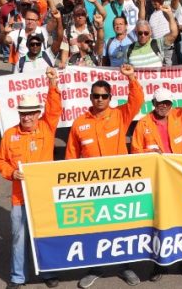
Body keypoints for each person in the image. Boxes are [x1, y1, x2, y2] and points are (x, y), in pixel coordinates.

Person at [65, 65, 145, 288]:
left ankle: (125, 267)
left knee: (122, 227)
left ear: (110, 98)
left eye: (104, 96)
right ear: (90, 97)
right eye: (96, 96)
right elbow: (71, 156)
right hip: (92, 187)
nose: (100, 99)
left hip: (120, 185)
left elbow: (137, 99)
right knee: (95, 228)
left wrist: (131, 77)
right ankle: (95, 268)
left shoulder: (120, 114)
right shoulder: (79, 123)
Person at [0, 69, 62, 289]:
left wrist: (52, 82)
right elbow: (1, 161)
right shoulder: (9, 134)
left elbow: (54, 106)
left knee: (45, 235)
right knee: (18, 238)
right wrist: (11, 173)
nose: (27, 117)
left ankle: (48, 273)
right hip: (19, 198)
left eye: (31, 113)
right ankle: (17, 277)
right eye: (23, 113)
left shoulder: (47, 126)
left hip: (44, 196)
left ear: (37, 113)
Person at [131, 71, 182, 154]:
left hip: (178, 164)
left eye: (167, 103)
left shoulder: (180, 115)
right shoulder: (143, 123)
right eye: (161, 102)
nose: (164, 106)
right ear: (153, 102)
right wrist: (150, 152)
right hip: (156, 165)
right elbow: (135, 151)